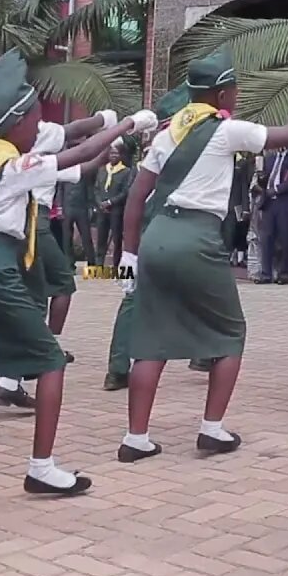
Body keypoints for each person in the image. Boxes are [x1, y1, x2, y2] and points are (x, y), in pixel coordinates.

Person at [0, 49, 147, 501]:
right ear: (15, 124)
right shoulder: (16, 165)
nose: (40, 129)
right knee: (51, 361)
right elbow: (78, 150)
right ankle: (42, 468)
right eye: (35, 121)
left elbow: (69, 150)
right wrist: (125, 125)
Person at [115, 49, 288, 463]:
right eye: (235, 89)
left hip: (157, 236)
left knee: (150, 339)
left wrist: (128, 257)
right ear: (223, 93)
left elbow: (136, 197)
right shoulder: (227, 131)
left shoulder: (168, 134)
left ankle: (136, 438)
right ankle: (211, 429)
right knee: (229, 333)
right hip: (196, 237)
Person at [0, 107, 122, 420]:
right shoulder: (28, 159)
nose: (38, 128)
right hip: (32, 228)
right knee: (49, 291)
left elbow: (81, 162)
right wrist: (117, 123)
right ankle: (23, 368)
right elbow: (78, 147)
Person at [103, 84, 190, 392]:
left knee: (134, 297)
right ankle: (211, 353)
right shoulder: (179, 143)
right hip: (169, 228)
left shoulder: (157, 145)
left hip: (148, 231)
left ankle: (117, 367)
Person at [256, 142, 288, 284]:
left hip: (286, 203)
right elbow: (265, 180)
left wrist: (278, 189)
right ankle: (266, 273)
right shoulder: (270, 159)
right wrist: (261, 178)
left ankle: (285, 273)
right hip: (269, 203)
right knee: (266, 238)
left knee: (286, 238)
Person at [95, 145, 132, 266]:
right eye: (111, 153)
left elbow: (125, 192)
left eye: (116, 153)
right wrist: (100, 202)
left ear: (120, 155)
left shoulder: (126, 171)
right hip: (102, 210)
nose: (113, 156)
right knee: (101, 239)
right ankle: (99, 266)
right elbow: (96, 189)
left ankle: (116, 266)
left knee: (116, 240)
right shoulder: (101, 170)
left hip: (116, 210)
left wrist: (110, 202)